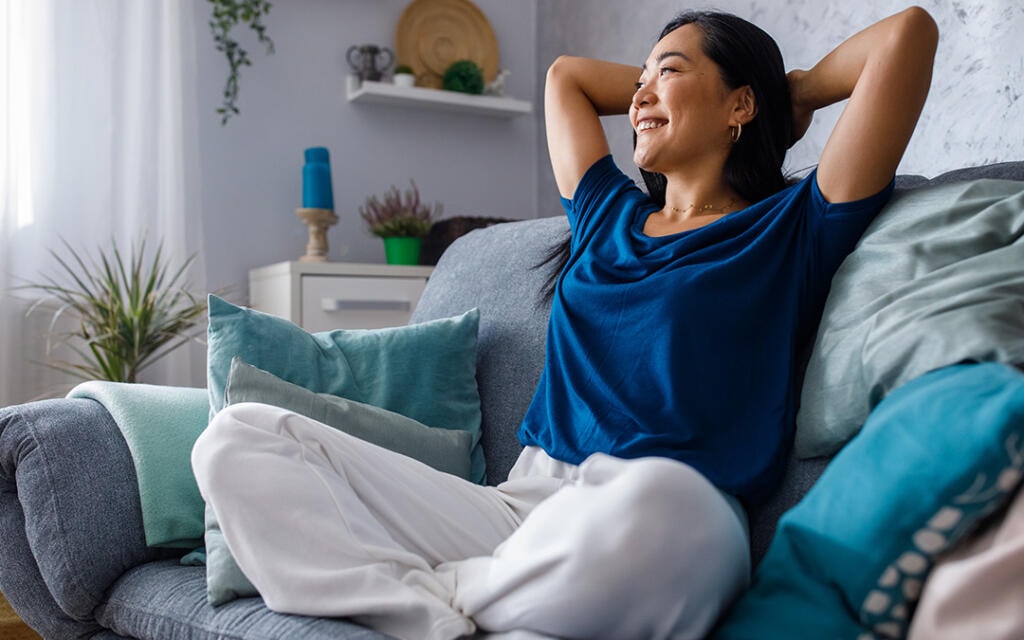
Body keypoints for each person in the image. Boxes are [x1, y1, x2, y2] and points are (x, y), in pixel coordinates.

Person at [192, 7, 938, 640]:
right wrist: (669, 84)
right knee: (241, 437)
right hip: (521, 505)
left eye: (668, 72)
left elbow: (906, 33)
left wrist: (786, 91)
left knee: (673, 514)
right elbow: (566, 79)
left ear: (740, 106)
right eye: (640, 77)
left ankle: (448, 595)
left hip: (667, 510)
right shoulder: (608, 215)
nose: (642, 93)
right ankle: (436, 608)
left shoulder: (792, 227)